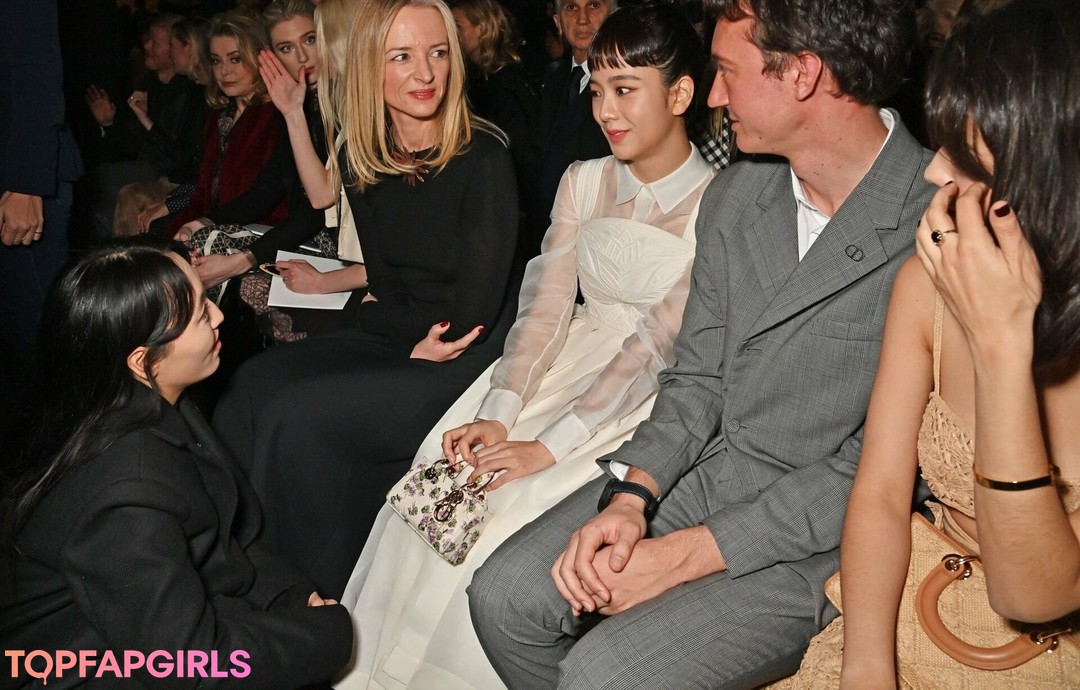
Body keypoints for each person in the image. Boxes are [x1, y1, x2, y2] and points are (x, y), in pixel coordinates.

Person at [467, 0, 936, 687]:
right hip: (709, 476)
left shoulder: (936, 218)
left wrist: (685, 555)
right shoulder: (738, 196)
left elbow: (882, 473)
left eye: (726, 72)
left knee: (603, 674)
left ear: (802, 73)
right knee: (504, 599)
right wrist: (633, 497)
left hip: (831, 536)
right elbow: (696, 380)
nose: (713, 97)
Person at [337, 4, 714, 688]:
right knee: (449, 467)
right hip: (559, 364)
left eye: (625, 89)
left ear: (681, 93)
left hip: (647, 394)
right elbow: (543, 310)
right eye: (596, 90)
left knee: (513, 505)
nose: (606, 110)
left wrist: (551, 444)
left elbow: (659, 343)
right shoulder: (583, 179)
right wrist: (501, 411)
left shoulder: (722, 204)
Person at [788, 1, 1080, 686]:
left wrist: (1001, 347)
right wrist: (865, 667)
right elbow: (881, 494)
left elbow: (1034, 594)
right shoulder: (926, 285)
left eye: (966, 158)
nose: (933, 172)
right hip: (915, 604)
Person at [212, 0, 521, 600]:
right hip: (405, 331)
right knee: (251, 384)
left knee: (298, 414)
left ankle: (307, 597)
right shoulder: (362, 156)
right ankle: (239, 567)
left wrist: (385, 317)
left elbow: (471, 317)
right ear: (367, 68)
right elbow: (382, 282)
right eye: (401, 56)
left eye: (437, 53)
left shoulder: (484, 158)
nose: (425, 73)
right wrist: (385, 318)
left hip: (466, 353)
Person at [0, 240, 352, 688]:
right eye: (201, 313)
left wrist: (290, 596)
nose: (219, 316)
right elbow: (186, 666)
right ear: (142, 361)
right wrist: (327, 637)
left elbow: (224, 537)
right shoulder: (124, 495)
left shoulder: (142, 401)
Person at [0, 0, 83, 417]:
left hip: (21, 181)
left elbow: (36, 71)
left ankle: (67, 445)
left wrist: (26, 184)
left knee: (39, 337)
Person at [143, 10, 287, 238]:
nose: (224, 71)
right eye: (216, 61)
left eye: (235, 59)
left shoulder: (276, 115)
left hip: (256, 230)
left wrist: (200, 224)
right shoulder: (220, 115)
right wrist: (184, 222)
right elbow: (203, 189)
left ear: (260, 57)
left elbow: (264, 196)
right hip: (213, 223)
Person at [85, 13, 205, 238]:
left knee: (113, 183)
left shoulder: (193, 91)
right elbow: (131, 145)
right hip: (163, 170)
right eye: (147, 39)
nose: (146, 46)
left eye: (156, 42)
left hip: (174, 174)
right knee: (100, 178)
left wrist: (147, 123)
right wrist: (109, 123)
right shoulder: (149, 85)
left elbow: (182, 156)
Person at [449, 0, 543, 244]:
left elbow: (522, 154)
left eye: (458, 26)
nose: (451, 34)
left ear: (481, 29)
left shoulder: (506, 83)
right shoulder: (481, 78)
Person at [532, 0, 615, 258]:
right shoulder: (552, 79)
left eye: (594, 5)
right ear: (557, 21)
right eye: (571, 7)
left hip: (600, 245)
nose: (582, 18)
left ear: (614, 14)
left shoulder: (624, 86)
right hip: (548, 243)